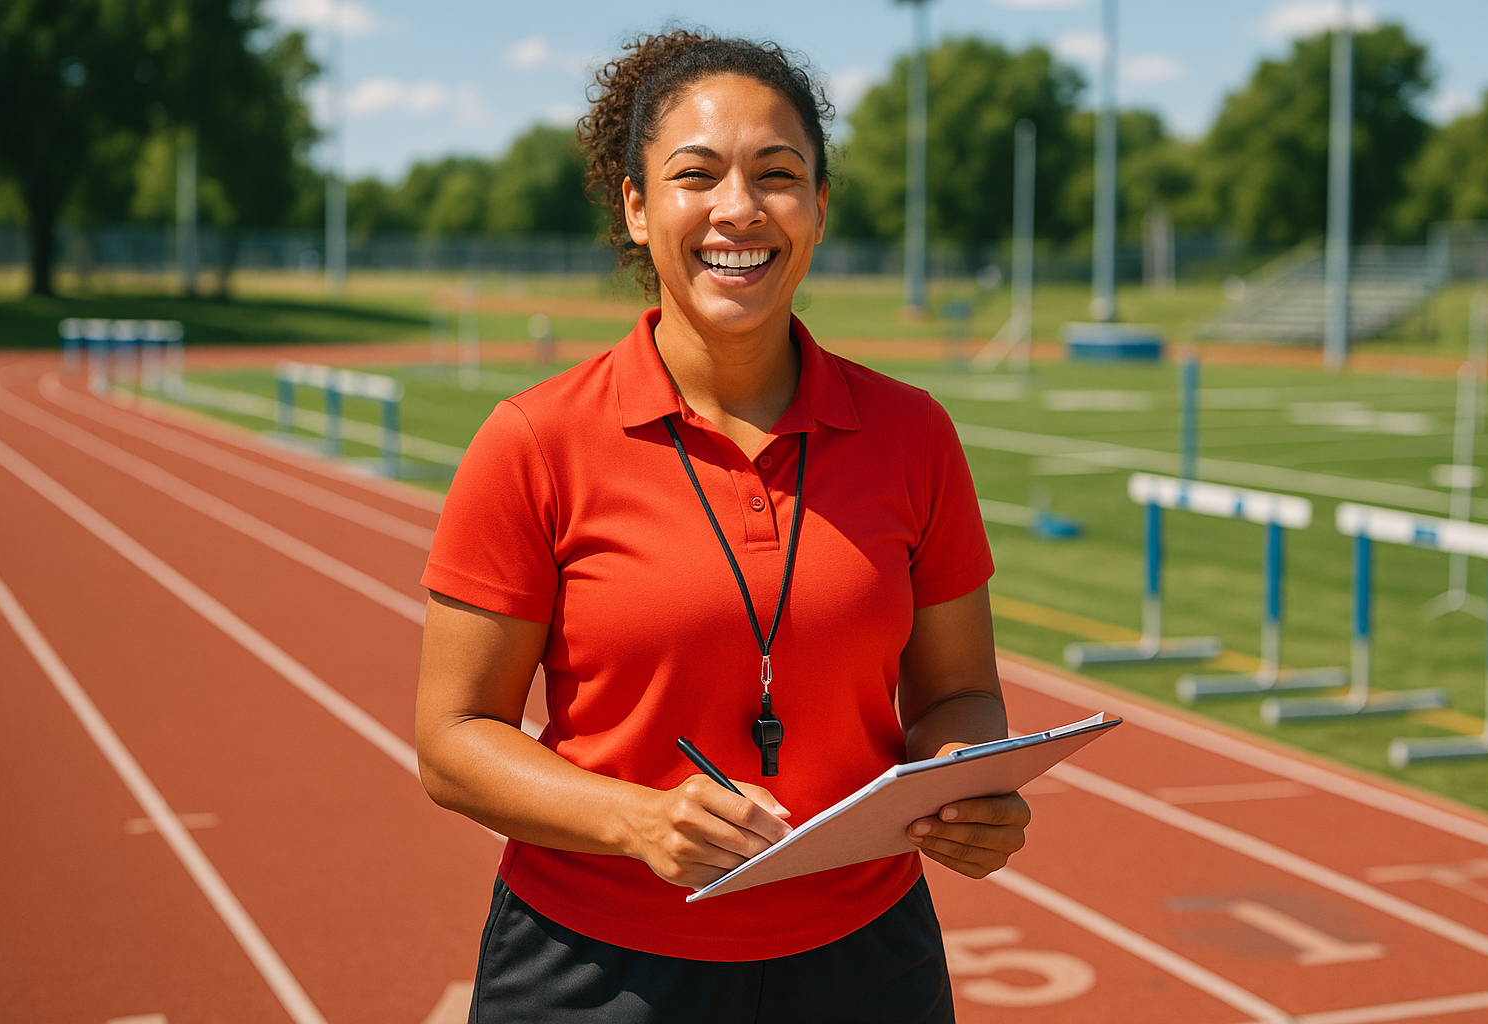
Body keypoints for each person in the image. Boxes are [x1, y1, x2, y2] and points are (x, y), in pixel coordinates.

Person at [415, 29, 1030, 1024]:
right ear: (635, 205)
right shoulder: (532, 441)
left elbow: (959, 692)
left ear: (820, 208)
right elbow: (451, 739)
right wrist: (637, 818)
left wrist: (965, 785)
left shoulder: (915, 435)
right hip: (596, 968)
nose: (739, 208)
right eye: (695, 174)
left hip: (867, 961)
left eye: (778, 175)